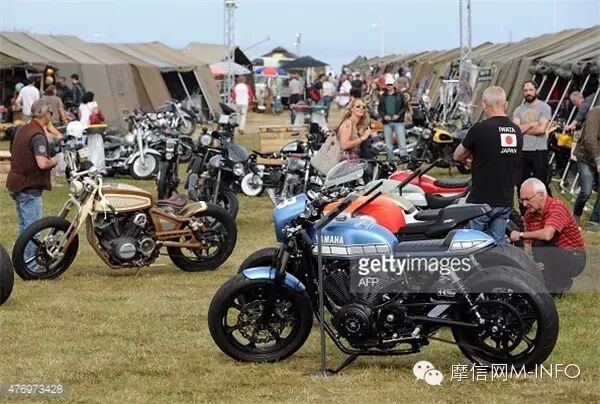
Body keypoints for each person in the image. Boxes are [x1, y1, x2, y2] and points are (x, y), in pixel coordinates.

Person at [454, 86, 523, 244]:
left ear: (484, 105)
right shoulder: (516, 131)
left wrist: (468, 161)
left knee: (473, 245)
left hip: (481, 200)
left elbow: (457, 155)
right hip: (505, 200)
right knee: (497, 247)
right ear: (506, 105)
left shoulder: (480, 128)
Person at [510, 178, 585, 294]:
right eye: (522, 200)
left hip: (574, 257)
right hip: (554, 253)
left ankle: (558, 285)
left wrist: (520, 234)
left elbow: (547, 235)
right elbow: (528, 243)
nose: (524, 204)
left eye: (527, 199)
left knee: (540, 243)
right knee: (536, 246)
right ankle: (549, 284)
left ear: (541, 195)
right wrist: (530, 262)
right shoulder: (529, 214)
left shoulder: (556, 207)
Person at [6, 99, 57, 258]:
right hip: (29, 186)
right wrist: (54, 161)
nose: (51, 116)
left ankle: (22, 261)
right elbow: (42, 163)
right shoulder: (37, 134)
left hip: (16, 183)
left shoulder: (23, 130)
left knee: (25, 229)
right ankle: (30, 264)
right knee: (33, 231)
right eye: (50, 113)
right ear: (45, 114)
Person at [512, 81, 552, 194]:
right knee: (521, 183)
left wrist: (523, 127)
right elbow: (516, 130)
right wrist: (532, 124)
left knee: (541, 184)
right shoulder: (518, 110)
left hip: (539, 151)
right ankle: (524, 205)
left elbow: (541, 129)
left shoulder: (545, 107)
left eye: (531, 90)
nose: (528, 93)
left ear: (536, 91)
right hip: (522, 151)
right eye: (525, 90)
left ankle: (546, 204)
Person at [572, 106, 600, 230]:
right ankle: (576, 216)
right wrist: (598, 159)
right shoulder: (596, 113)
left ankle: (595, 221)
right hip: (586, 157)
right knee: (586, 191)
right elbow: (589, 139)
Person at [378, 76, 407, 160]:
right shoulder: (383, 96)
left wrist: (398, 115)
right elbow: (380, 109)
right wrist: (384, 116)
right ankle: (390, 160)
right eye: (387, 85)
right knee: (388, 144)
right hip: (387, 123)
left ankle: (404, 159)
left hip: (398, 122)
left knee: (401, 142)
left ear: (393, 85)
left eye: (390, 84)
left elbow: (404, 106)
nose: (389, 86)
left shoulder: (400, 94)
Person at [79, 92, 106, 173]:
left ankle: (88, 165)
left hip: (84, 128)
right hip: (94, 127)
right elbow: (96, 112)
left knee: (89, 148)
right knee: (97, 147)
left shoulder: (81, 105)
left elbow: (80, 116)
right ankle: (98, 166)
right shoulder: (94, 104)